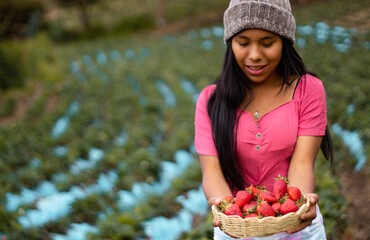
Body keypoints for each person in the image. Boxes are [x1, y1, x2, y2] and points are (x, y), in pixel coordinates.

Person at [194, 0, 334, 239]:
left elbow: (301, 164)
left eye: (268, 43)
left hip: (295, 227)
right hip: (237, 229)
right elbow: (212, 173)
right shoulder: (212, 100)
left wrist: (297, 207)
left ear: (285, 42)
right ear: (230, 43)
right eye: (243, 43)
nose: (255, 55)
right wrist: (226, 209)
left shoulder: (308, 89)